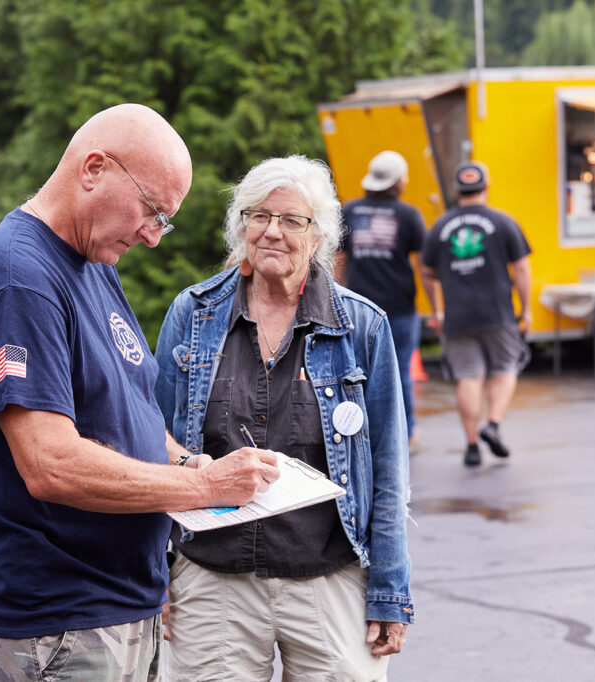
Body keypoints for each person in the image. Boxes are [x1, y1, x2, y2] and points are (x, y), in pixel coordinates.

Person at [0, 103, 280, 682]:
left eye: (164, 220)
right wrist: (201, 487)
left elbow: (126, 410)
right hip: (57, 620)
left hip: (111, 608)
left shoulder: (91, 260)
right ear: (94, 168)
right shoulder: (19, 279)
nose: (153, 237)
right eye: (152, 210)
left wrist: (187, 460)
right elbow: (50, 464)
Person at [155, 155, 413, 681]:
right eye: (259, 216)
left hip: (329, 575)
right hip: (211, 581)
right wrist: (150, 572)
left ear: (318, 237)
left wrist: (389, 589)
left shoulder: (363, 326)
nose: (273, 231)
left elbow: (388, 469)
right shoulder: (193, 314)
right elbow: (147, 439)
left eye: (292, 220)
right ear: (241, 225)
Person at [420, 160, 532, 467]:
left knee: (468, 378)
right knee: (505, 368)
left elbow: (426, 271)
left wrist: (438, 308)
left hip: (457, 315)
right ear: (486, 186)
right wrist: (527, 308)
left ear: (458, 190)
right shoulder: (503, 221)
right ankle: (492, 425)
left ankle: (471, 446)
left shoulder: (441, 226)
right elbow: (521, 267)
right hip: (498, 312)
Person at [336, 150, 431, 449]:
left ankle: (361, 432)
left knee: (353, 372)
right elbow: (425, 267)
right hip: (400, 308)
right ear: (399, 180)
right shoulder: (408, 214)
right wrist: (437, 307)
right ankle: (405, 435)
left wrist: (334, 297)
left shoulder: (349, 211)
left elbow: (338, 259)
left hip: (356, 309)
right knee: (400, 372)